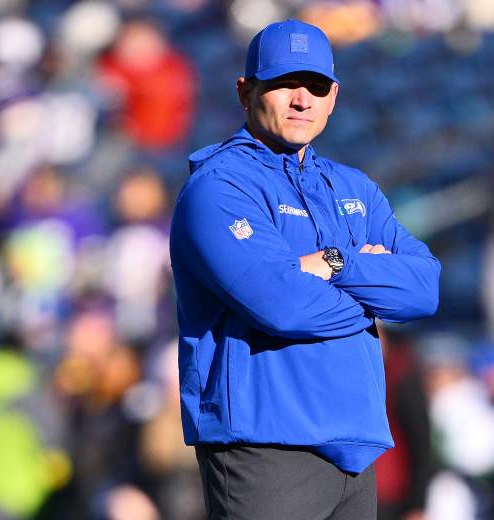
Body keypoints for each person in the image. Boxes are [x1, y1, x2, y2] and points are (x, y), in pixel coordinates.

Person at [169, 19, 441, 519]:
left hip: (355, 447)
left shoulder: (353, 187)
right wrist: (370, 285)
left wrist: (331, 263)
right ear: (245, 91)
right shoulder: (219, 187)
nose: (302, 100)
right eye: (284, 83)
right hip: (265, 445)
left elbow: (424, 290)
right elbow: (283, 305)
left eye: (316, 86)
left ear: (333, 96)